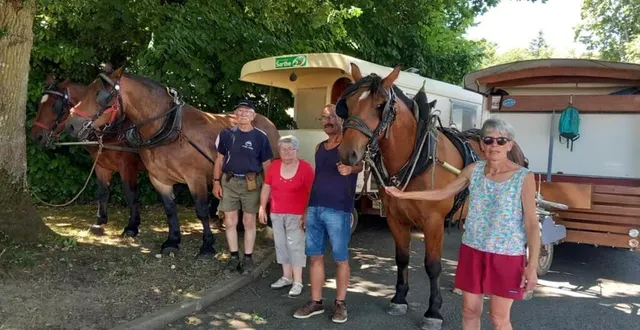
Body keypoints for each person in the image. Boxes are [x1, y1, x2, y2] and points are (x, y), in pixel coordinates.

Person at [385, 117, 539, 330]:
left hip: (507, 254)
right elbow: (442, 192)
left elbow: (531, 223)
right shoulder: (473, 170)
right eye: (489, 140)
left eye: (501, 141)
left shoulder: (523, 177)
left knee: (498, 317)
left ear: (510, 144)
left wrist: (532, 266)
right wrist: (402, 195)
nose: (494, 145)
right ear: (482, 144)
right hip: (473, 250)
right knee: (469, 312)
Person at [293, 104, 363, 324]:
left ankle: (340, 304)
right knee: (315, 257)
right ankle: (316, 302)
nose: (327, 121)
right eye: (323, 118)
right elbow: (315, 181)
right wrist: (306, 209)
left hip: (339, 209)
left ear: (340, 118)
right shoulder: (319, 148)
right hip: (315, 209)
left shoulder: (349, 143)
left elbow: (361, 165)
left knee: (340, 259)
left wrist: (351, 169)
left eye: (331, 116)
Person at [213, 99, 273, 275]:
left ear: (253, 116)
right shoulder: (226, 134)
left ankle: (247, 258)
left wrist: (267, 188)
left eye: (247, 111)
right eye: (239, 111)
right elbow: (219, 159)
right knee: (229, 221)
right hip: (229, 182)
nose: (243, 114)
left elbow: (266, 164)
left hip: (252, 184)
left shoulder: (260, 137)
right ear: (235, 115)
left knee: (249, 222)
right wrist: (216, 181)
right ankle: (233, 257)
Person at [258, 135, 314, 297]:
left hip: (296, 214)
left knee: (295, 246)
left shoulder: (305, 167)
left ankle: (298, 281)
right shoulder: (274, 166)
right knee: (281, 244)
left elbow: (312, 192)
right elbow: (266, 188)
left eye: (291, 149)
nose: (287, 152)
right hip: (276, 213)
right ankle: (286, 277)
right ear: (279, 151)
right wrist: (262, 207)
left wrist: (307, 212)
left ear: (297, 150)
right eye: (283, 149)